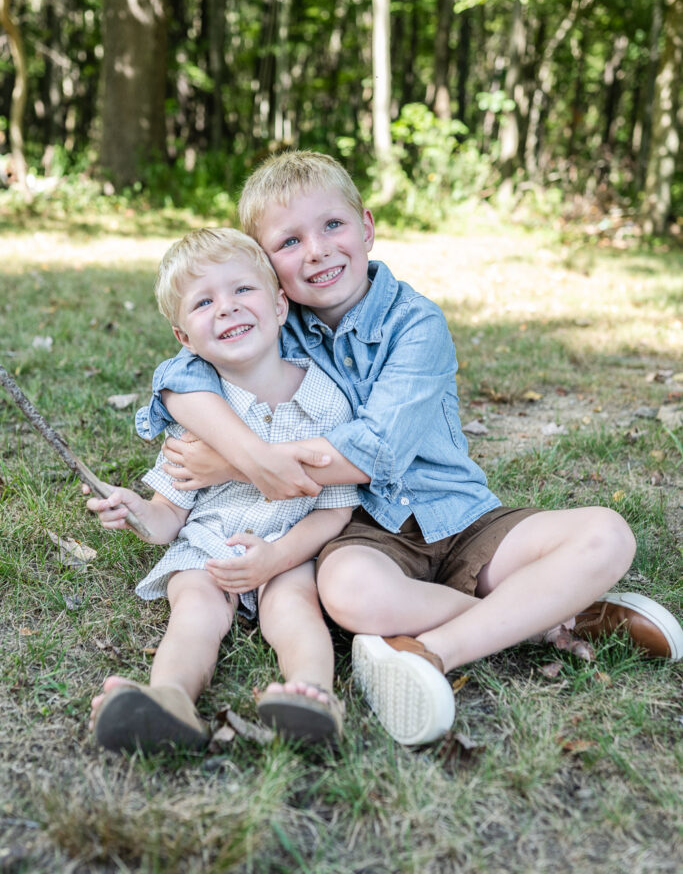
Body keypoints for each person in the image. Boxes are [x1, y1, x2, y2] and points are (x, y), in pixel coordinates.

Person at [159, 151, 683, 747]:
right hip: (365, 529)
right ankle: (546, 618)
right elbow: (178, 375)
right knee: (348, 590)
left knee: (606, 534)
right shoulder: (277, 321)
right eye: (290, 241)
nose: (317, 251)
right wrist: (243, 449)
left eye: (333, 226)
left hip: (460, 518)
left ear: (368, 228)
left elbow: (373, 454)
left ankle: (430, 651)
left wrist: (235, 462)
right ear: (269, 269)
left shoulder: (416, 325)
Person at [85, 227, 359, 753]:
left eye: (242, 291)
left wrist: (275, 557)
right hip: (208, 546)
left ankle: (312, 696)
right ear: (184, 337)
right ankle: (169, 699)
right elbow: (170, 512)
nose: (227, 309)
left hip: (288, 544)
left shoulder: (326, 401)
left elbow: (333, 513)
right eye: (204, 301)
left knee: (294, 608)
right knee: (194, 610)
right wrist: (137, 511)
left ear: (281, 306)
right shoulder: (199, 414)